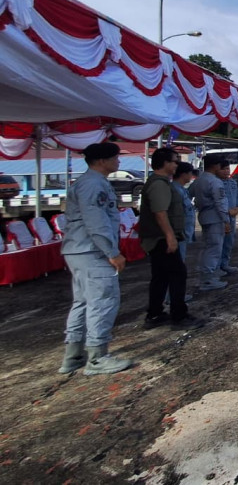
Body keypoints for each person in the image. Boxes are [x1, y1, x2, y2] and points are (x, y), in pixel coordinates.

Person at [58, 142, 132, 376]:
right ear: (102, 161)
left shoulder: (90, 182)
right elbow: (96, 221)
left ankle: (74, 356)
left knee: (82, 302)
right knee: (103, 301)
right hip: (92, 251)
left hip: (81, 250)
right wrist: (112, 252)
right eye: (115, 157)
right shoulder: (93, 184)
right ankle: (97, 357)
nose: (118, 161)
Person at [139, 147, 202, 330]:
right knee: (177, 274)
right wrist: (170, 237)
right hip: (161, 239)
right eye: (174, 161)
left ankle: (155, 313)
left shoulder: (161, 182)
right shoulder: (159, 184)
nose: (176, 164)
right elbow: (160, 213)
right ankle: (179, 315)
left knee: (161, 277)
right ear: (165, 163)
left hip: (159, 238)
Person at [190, 154, 232, 291]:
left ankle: (208, 275)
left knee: (207, 246)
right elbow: (219, 202)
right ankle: (208, 279)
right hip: (215, 217)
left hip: (204, 215)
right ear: (215, 166)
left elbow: (188, 194)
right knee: (214, 248)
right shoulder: (214, 182)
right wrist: (226, 220)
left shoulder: (199, 180)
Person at [170, 162, 196, 303]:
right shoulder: (175, 190)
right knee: (176, 266)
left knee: (180, 264)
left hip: (183, 233)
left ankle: (175, 294)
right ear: (184, 174)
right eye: (190, 173)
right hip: (178, 234)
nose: (191, 176)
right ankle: (172, 296)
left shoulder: (181, 189)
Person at [219, 162, 238, 273]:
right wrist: (227, 210)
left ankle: (225, 264)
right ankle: (217, 267)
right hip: (221, 216)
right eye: (223, 169)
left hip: (233, 215)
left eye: (228, 169)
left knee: (229, 242)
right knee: (219, 244)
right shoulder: (216, 183)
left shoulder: (232, 182)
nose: (227, 171)